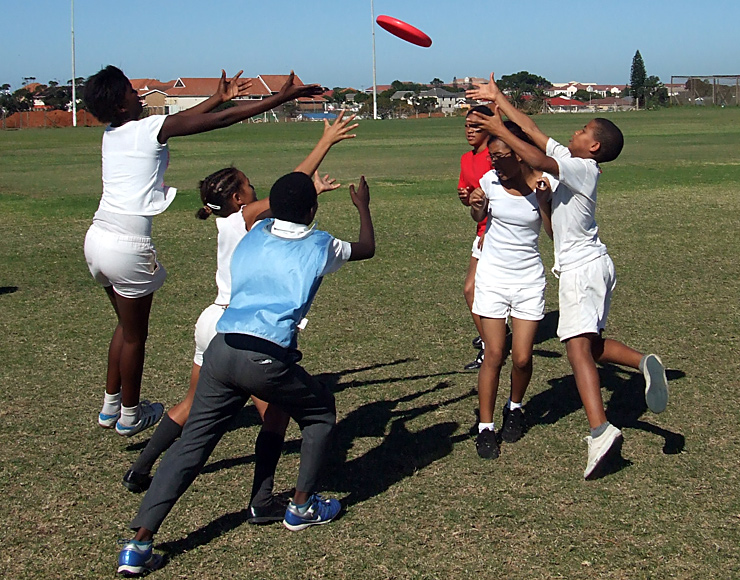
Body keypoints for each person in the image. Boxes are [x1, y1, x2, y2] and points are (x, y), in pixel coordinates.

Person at [116, 172, 375, 575]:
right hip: (265, 357)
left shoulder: (253, 231)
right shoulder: (321, 245)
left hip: (222, 349)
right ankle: (302, 506)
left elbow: (263, 211)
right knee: (321, 411)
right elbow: (367, 249)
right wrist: (363, 209)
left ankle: (138, 544)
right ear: (313, 210)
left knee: (192, 447)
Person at [84, 66, 322, 437]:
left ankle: (110, 405)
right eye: (131, 92)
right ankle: (130, 415)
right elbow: (223, 121)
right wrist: (281, 97)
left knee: (124, 326)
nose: (138, 95)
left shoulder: (111, 134)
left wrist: (217, 97)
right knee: (134, 335)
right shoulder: (147, 129)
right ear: (118, 105)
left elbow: (187, 118)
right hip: (127, 246)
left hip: (97, 239)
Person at [467, 74, 669, 479]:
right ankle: (642, 361)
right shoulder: (576, 162)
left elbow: (538, 157)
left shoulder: (581, 168)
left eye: (581, 129)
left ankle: (600, 431)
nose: (573, 132)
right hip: (593, 266)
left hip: (582, 269)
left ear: (592, 146)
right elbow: (531, 128)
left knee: (576, 350)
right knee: (589, 347)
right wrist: (498, 99)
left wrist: (492, 126)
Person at [467, 121, 550, 460]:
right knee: (494, 354)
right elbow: (478, 214)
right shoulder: (489, 181)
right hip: (493, 278)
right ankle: (485, 428)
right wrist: (476, 204)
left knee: (523, 357)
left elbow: (553, 234)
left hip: (528, 279)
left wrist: (543, 201)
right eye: (491, 157)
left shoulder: (543, 185)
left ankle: (515, 407)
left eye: (500, 157)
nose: (494, 164)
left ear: (520, 154)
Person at [458, 105, 495, 370]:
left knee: (472, 289)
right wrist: (465, 198)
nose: (470, 131)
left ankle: (490, 345)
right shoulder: (465, 159)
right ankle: (491, 339)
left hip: (496, 232)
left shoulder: (497, 156)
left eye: (476, 126)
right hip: (481, 229)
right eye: (467, 126)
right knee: (474, 290)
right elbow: (470, 198)